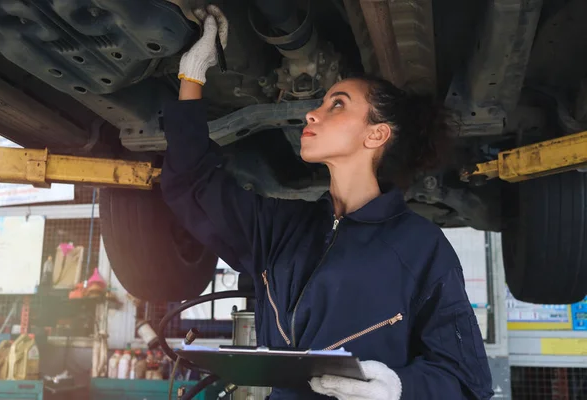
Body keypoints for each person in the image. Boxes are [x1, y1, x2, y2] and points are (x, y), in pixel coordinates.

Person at [161, 5, 494, 400]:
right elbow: (192, 183)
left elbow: (467, 383)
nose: (311, 113)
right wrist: (193, 74)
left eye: (336, 104)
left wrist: (400, 389)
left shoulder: (419, 247)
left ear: (376, 135)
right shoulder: (280, 229)